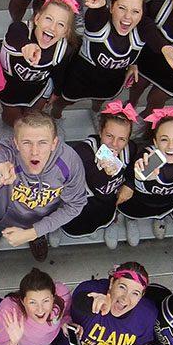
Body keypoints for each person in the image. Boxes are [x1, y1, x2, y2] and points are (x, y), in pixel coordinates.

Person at [50, 0, 167, 119]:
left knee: (100, 101)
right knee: (63, 102)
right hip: (80, 78)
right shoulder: (98, 24)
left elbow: (150, 32)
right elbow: (96, 16)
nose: (127, 17)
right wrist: (100, 5)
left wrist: (164, 50)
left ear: (142, 14)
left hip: (110, 82)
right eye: (121, 8)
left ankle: (95, 112)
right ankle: (56, 117)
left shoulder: (142, 29)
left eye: (135, 11)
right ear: (111, 7)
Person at [0, 111, 86, 261]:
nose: (34, 152)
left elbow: (75, 205)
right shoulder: (6, 151)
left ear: (54, 143)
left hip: (41, 217)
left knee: (38, 231)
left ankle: (37, 238)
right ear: (16, 143)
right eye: (26, 142)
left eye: (42, 143)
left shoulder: (69, 162)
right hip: (2, 214)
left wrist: (34, 233)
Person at [112, 108, 173, 245]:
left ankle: (160, 218)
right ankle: (131, 219)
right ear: (156, 142)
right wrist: (136, 181)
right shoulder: (150, 158)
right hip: (139, 204)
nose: (171, 146)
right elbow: (136, 173)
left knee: (163, 209)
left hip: (167, 203)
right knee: (133, 210)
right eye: (164, 139)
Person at [54, 262, 156, 345]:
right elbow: (80, 300)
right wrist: (93, 303)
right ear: (111, 283)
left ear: (141, 296)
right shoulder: (93, 289)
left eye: (135, 293)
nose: (125, 298)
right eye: (122, 287)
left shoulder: (146, 316)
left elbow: (139, 343)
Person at [0, 0, 77, 127]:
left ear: (66, 32)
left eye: (61, 24)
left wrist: (56, 92)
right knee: (11, 120)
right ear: (37, 18)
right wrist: (26, 45)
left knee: (32, 118)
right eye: (48, 19)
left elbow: (59, 72)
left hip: (39, 91)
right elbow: (15, 30)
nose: (52, 27)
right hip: (10, 89)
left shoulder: (64, 49)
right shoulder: (21, 30)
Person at [62, 101, 136, 244]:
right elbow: (96, 185)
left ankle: (105, 224)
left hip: (108, 202)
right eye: (109, 135)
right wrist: (107, 173)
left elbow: (132, 169)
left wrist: (130, 184)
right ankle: (62, 229)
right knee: (76, 224)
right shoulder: (83, 151)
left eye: (122, 139)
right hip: (83, 203)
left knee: (102, 218)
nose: (114, 144)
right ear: (100, 131)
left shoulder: (130, 148)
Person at [0, 268, 71, 345]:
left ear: (53, 297)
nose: (40, 309)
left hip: (52, 343)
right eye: (33, 302)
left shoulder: (62, 293)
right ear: (23, 301)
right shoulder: (9, 312)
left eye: (46, 301)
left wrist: (65, 323)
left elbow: (66, 314)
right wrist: (13, 343)